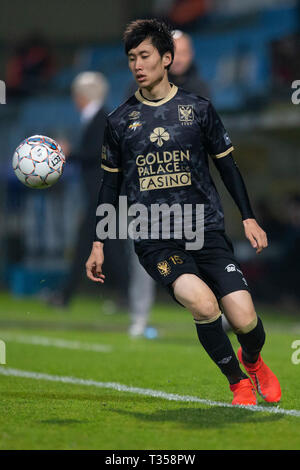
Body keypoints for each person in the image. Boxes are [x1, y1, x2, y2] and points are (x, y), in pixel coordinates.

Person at [86, 19, 281, 406]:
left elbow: (227, 166)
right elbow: (109, 185)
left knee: (244, 319)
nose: (137, 64)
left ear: (167, 58)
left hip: (205, 229)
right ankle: (236, 382)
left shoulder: (199, 109)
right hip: (155, 236)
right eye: (131, 58)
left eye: (145, 55)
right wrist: (98, 241)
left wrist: (248, 216)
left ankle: (253, 360)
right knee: (203, 303)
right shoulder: (119, 122)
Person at [127, 29, 209, 338]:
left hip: (190, 193)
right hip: (148, 192)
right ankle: (139, 317)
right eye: (175, 52)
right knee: (145, 253)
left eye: (186, 52)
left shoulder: (200, 91)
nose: (179, 58)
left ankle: (219, 310)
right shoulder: (139, 88)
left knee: (204, 252)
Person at [48, 71, 108, 307]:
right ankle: (66, 294)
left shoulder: (101, 117)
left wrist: (69, 152)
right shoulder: (97, 117)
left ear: (81, 96)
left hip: (100, 193)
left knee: (90, 241)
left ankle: (65, 294)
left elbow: (98, 154)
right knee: (104, 245)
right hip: (97, 193)